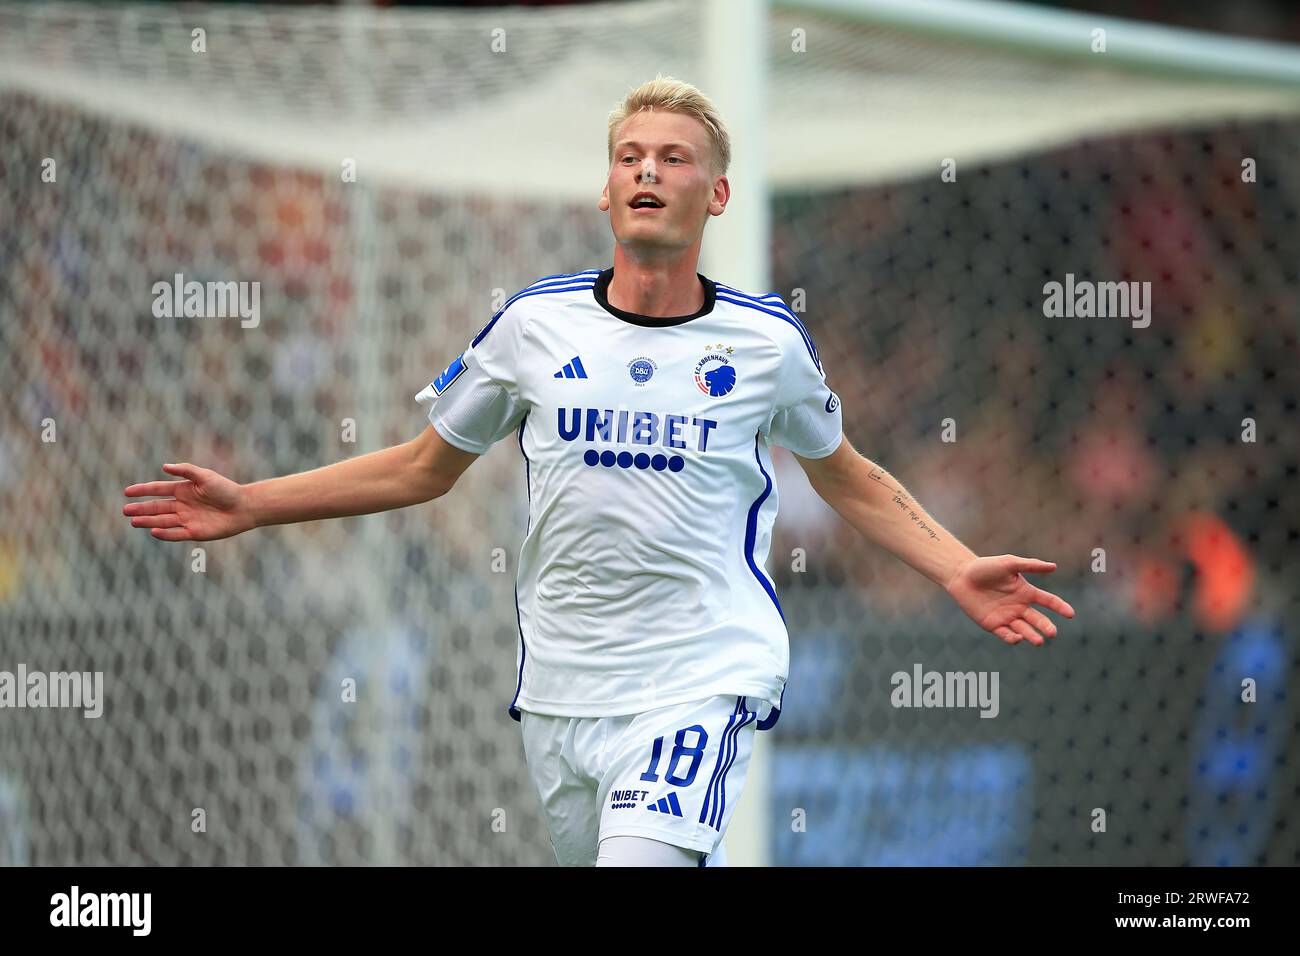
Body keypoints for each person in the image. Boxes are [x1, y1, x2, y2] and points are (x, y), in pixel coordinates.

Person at [123, 76, 1074, 867]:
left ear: (718, 195)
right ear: (607, 192)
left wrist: (955, 565)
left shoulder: (766, 343)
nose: (648, 172)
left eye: (673, 158)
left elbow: (849, 475)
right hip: (562, 689)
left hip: (702, 671)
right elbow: (422, 468)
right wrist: (253, 504)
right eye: (630, 159)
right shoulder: (533, 328)